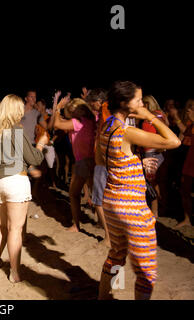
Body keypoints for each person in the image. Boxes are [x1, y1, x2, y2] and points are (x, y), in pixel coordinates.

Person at [97, 81, 180, 300]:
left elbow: (106, 159)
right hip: (131, 207)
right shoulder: (127, 131)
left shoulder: (107, 125)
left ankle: (108, 295)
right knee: (146, 271)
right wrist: (151, 116)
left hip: (111, 201)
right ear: (125, 103)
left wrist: (131, 163)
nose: (142, 104)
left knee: (117, 255)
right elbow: (174, 141)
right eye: (138, 100)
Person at [0, 94, 46, 282]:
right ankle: (14, 272)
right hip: (15, 180)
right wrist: (41, 144)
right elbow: (34, 158)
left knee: (0, 227)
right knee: (15, 229)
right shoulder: (16, 131)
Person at [53, 97, 96, 233]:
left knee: (73, 193)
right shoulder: (91, 120)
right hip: (94, 160)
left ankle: (76, 225)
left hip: (83, 161)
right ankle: (101, 222)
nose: (70, 114)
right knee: (96, 195)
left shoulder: (77, 122)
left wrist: (57, 108)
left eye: (71, 111)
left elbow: (57, 124)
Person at [85, 88, 111, 246]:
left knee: (98, 199)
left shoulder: (106, 108)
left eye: (91, 104)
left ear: (97, 102)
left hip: (104, 159)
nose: (91, 107)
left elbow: (109, 131)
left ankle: (108, 237)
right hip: (108, 158)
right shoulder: (110, 109)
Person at [176, 103, 194, 228]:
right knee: (184, 190)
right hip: (190, 161)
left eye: (192, 108)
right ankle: (187, 218)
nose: (188, 110)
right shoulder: (191, 124)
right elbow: (185, 133)